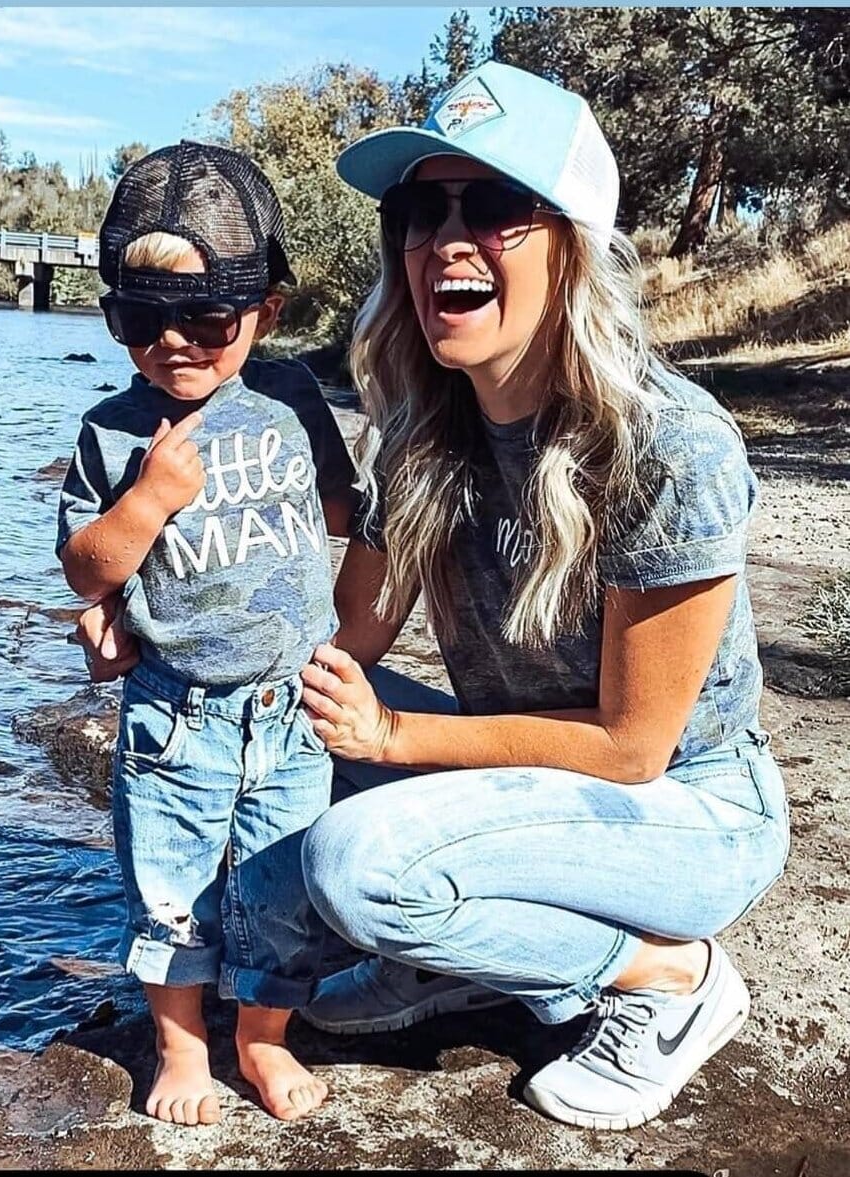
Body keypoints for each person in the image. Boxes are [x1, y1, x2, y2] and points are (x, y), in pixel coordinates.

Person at [292, 61, 790, 1131]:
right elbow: (352, 640)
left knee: (356, 867)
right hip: (533, 774)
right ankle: (450, 956)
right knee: (279, 739)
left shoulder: (668, 443)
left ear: (572, 243)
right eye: (422, 208)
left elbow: (630, 749)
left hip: (687, 812)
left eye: (495, 207)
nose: (444, 240)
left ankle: (665, 977)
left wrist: (392, 741)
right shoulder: (423, 428)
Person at [56, 141, 356, 1125]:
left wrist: (343, 637)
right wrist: (147, 504)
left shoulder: (294, 403)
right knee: (172, 887)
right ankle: (183, 1048)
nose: (173, 341)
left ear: (264, 314)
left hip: (290, 712)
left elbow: (343, 520)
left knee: (280, 888)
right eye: (141, 319)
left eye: (206, 317)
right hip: (173, 718)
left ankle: (260, 1042)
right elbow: (86, 565)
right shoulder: (111, 431)